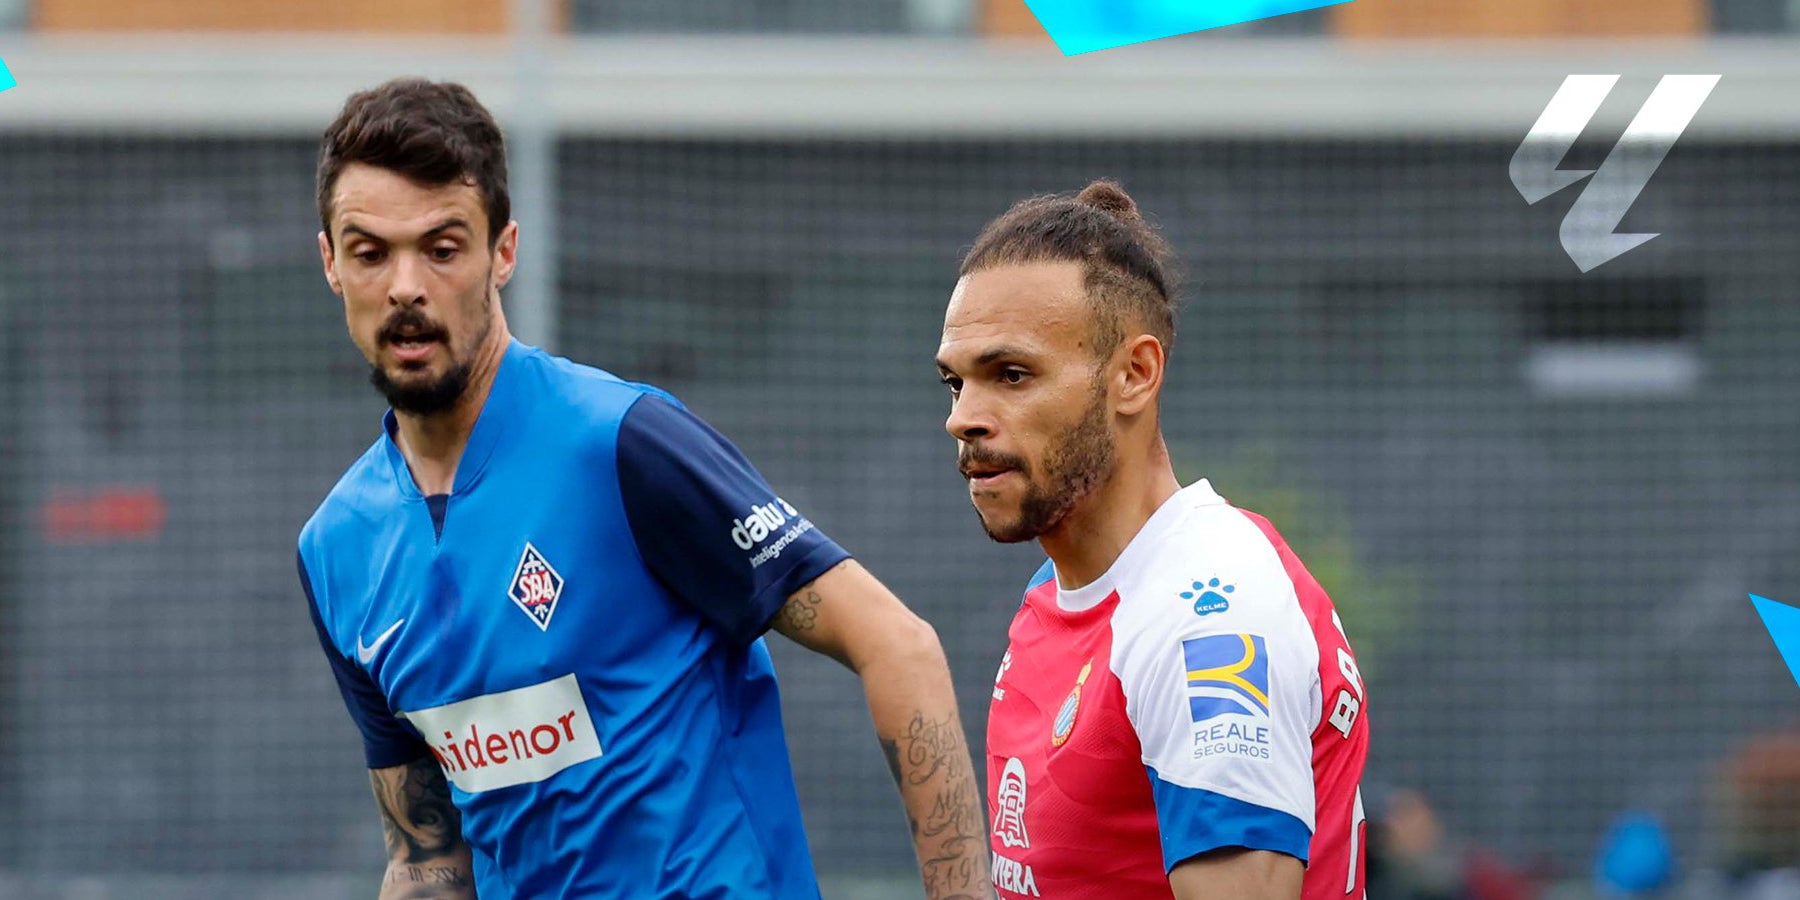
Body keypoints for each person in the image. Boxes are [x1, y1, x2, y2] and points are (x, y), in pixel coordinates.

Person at [298, 77, 989, 900]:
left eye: (442, 248)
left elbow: (897, 646)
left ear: (503, 252)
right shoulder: (337, 549)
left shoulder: (624, 443)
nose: (406, 286)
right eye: (372, 251)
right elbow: (427, 859)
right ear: (332, 263)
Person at [935, 180, 1370, 900]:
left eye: (1012, 375)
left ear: (1134, 374)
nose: (965, 418)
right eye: (956, 384)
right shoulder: (1055, 592)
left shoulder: (1210, 613)